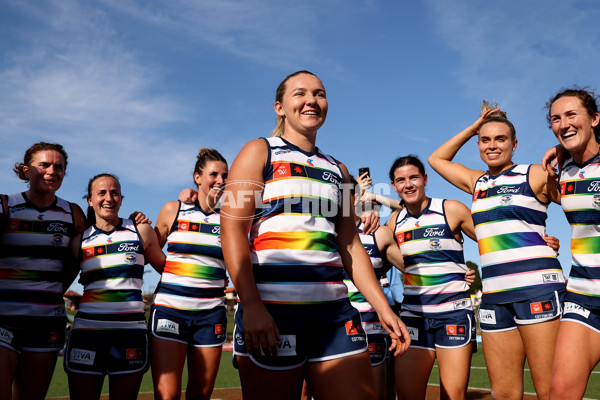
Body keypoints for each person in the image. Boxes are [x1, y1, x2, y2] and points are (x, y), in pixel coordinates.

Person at [220, 70, 410, 400]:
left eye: (319, 94)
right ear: (279, 107)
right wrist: (250, 305)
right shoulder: (259, 152)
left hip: (335, 317)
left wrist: (383, 307)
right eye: (300, 93)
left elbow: (350, 244)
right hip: (273, 314)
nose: (312, 100)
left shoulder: (340, 171)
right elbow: (232, 229)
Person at [428, 103, 566, 400]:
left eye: (500, 139)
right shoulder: (477, 182)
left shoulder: (534, 174)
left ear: (514, 144)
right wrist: (474, 126)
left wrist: (552, 239)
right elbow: (436, 159)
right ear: (478, 143)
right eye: (485, 139)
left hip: (537, 290)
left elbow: (576, 204)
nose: (492, 145)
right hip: (494, 296)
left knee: (550, 391)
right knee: (503, 393)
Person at [63, 173, 165, 400]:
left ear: (121, 198)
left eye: (114, 192)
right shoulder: (78, 241)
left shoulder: (141, 231)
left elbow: (168, 272)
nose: (108, 198)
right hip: (87, 334)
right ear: (90, 200)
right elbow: (61, 283)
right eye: (101, 193)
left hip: (130, 335)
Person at [0, 142, 86, 400]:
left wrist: (54, 290)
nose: (52, 171)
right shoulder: (6, 205)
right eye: (44, 165)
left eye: (59, 167)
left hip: (47, 319)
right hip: (4, 317)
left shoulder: (72, 213)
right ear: (27, 171)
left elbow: (74, 262)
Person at [387, 155, 477, 400]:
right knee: (407, 394)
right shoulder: (393, 222)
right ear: (394, 186)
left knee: (452, 396)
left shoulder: (452, 209)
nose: (408, 184)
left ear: (425, 179)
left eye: (414, 177)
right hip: (414, 316)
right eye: (401, 180)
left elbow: (490, 237)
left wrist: (539, 240)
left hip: (454, 313)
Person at [150, 148, 229, 400]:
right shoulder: (174, 209)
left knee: (201, 393)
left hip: (211, 314)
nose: (220, 181)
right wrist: (175, 274)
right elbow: (150, 248)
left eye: (225, 175)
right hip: (170, 309)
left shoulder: (232, 217)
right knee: (167, 395)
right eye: (213, 174)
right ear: (197, 177)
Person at [542, 88, 600, 399]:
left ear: (595, 118)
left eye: (571, 114)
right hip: (583, 294)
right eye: (555, 119)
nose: (563, 123)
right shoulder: (562, 170)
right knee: (561, 392)